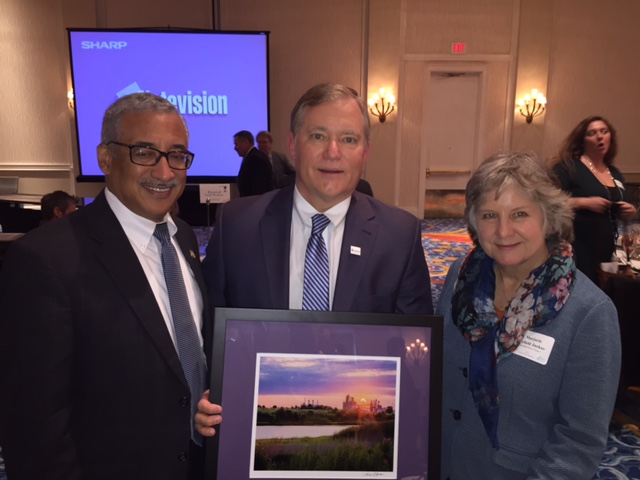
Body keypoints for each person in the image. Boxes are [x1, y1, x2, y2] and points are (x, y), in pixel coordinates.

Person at [0, 93, 222, 480]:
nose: (165, 172)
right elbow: (34, 427)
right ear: (105, 158)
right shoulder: (46, 259)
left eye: (177, 155)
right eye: (145, 152)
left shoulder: (183, 237)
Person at [196, 83, 433, 434]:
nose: (333, 152)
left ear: (365, 151)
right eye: (318, 136)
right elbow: (210, 334)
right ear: (292, 145)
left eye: (349, 139)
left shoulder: (400, 235)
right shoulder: (237, 225)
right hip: (249, 431)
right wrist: (207, 397)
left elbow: (416, 355)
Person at [437, 152, 621, 479]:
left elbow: (579, 441)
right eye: (489, 215)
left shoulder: (590, 313)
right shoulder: (459, 276)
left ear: (548, 218)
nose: (503, 231)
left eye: (520, 214)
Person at [549, 116, 637, 283]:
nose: (599, 136)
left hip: (606, 252)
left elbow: (622, 206)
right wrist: (583, 203)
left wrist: (630, 211)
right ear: (582, 141)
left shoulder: (614, 172)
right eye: (592, 133)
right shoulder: (568, 167)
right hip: (576, 248)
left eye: (604, 132)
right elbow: (548, 203)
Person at [234, 130, 274, 197]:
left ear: (246, 143)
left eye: (236, 144)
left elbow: (258, 188)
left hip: (255, 204)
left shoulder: (255, 158)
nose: (235, 148)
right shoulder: (252, 157)